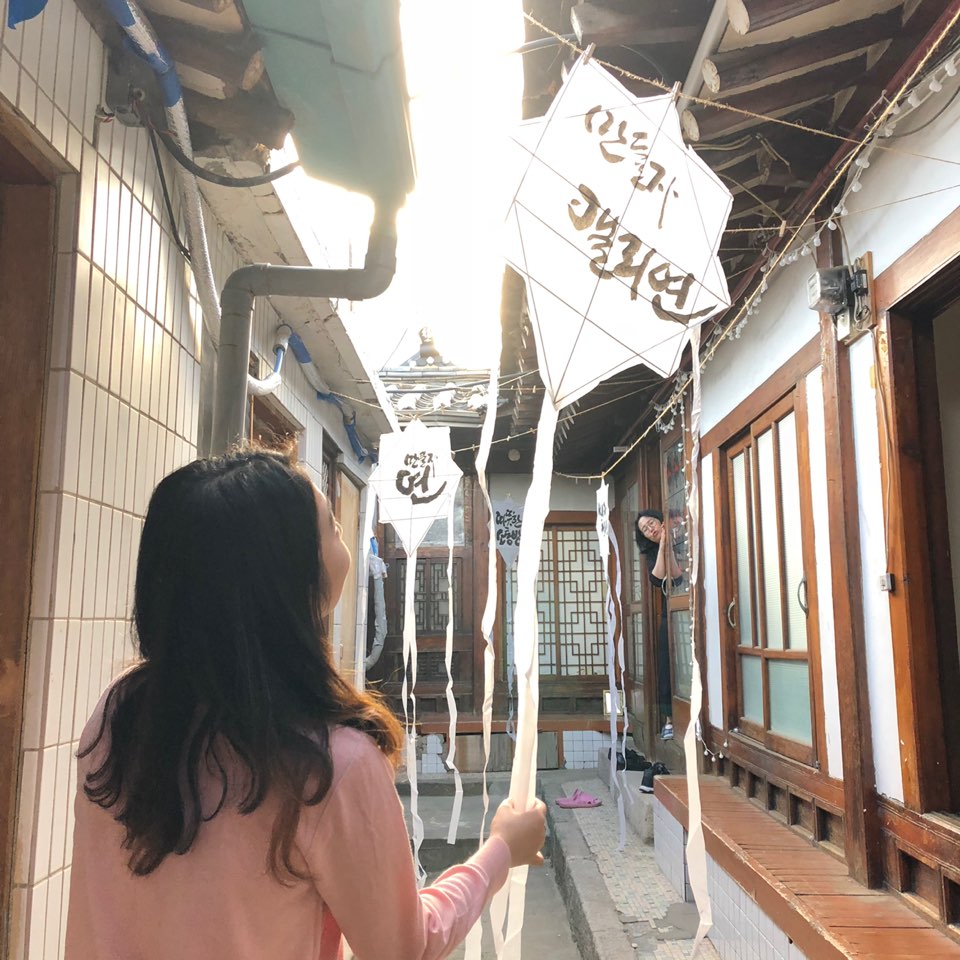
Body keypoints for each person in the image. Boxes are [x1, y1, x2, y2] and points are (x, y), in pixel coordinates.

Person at [65, 448, 546, 960]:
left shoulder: (121, 713)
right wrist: (500, 851)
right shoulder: (329, 764)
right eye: (330, 526)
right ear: (293, 579)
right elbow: (403, 947)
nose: (341, 531)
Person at [635, 509, 684, 741]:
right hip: (670, 611)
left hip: (690, 607)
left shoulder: (682, 538)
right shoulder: (652, 553)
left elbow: (678, 576)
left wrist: (670, 543)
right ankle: (669, 719)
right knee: (666, 662)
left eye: (651, 523)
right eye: (645, 529)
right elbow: (658, 579)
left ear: (661, 521)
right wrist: (663, 544)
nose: (650, 529)